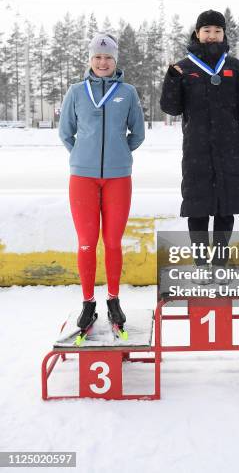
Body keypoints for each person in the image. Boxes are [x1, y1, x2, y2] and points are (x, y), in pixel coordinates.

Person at [160, 10, 239, 283]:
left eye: (217, 30)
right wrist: (171, 79)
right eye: (206, 30)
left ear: (223, 34)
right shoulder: (184, 67)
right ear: (197, 33)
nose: (212, 35)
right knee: (197, 208)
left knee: (225, 208)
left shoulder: (235, 67)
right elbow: (170, 107)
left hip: (229, 149)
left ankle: (219, 263)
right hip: (196, 151)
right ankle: (201, 265)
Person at [59, 33, 145, 334]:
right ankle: (87, 302)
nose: (103, 62)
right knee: (86, 242)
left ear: (115, 60)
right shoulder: (76, 92)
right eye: (97, 57)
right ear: (90, 59)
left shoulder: (128, 92)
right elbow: (65, 133)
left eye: (108, 57)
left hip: (118, 178)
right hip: (82, 178)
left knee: (111, 242)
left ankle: (112, 299)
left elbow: (138, 134)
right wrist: (84, 155)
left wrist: (117, 155)